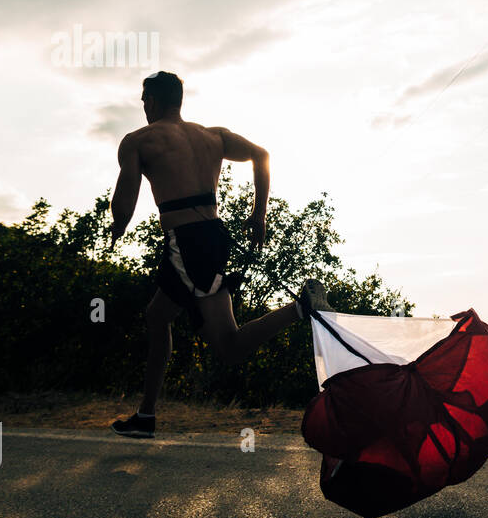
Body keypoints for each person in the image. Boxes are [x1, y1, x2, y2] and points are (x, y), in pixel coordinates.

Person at [108, 71, 329, 438]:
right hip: (214, 236)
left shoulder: (137, 141)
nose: (144, 107)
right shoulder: (214, 136)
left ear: (155, 101)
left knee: (192, 332)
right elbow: (262, 155)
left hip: (186, 242)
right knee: (189, 330)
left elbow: (125, 199)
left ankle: (300, 309)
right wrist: (259, 215)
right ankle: (146, 415)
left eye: (145, 100)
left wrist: (117, 226)